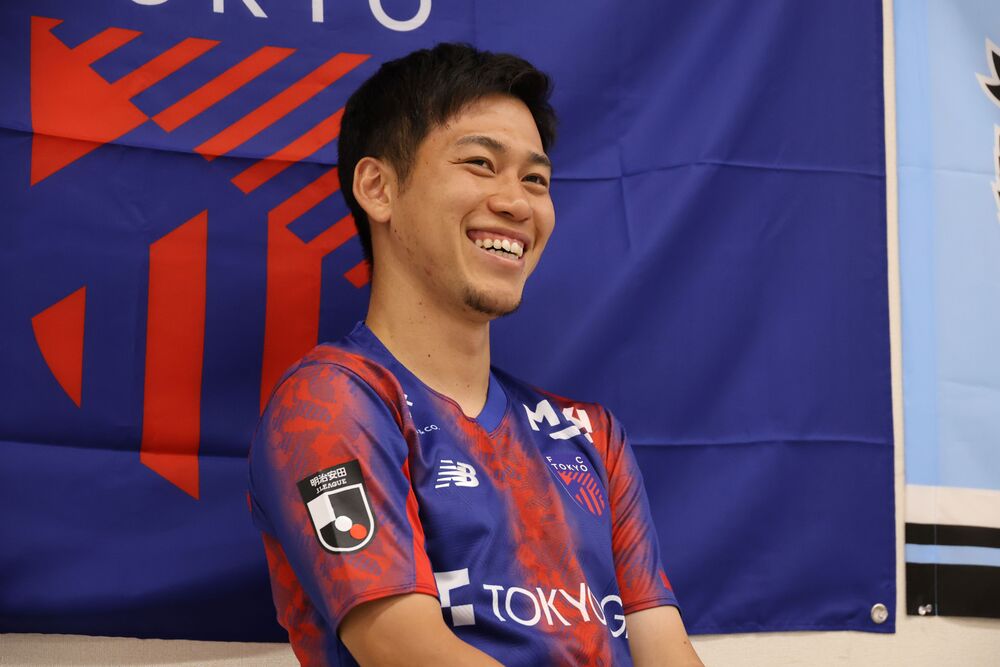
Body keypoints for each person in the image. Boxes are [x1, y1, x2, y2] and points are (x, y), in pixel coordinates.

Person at [248, 43, 703, 667]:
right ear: (378, 188)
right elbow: (403, 648)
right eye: (481, 164)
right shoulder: (328, 403)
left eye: (535, 180)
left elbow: (665, 650)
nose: (517, 203)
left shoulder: (591, 436)